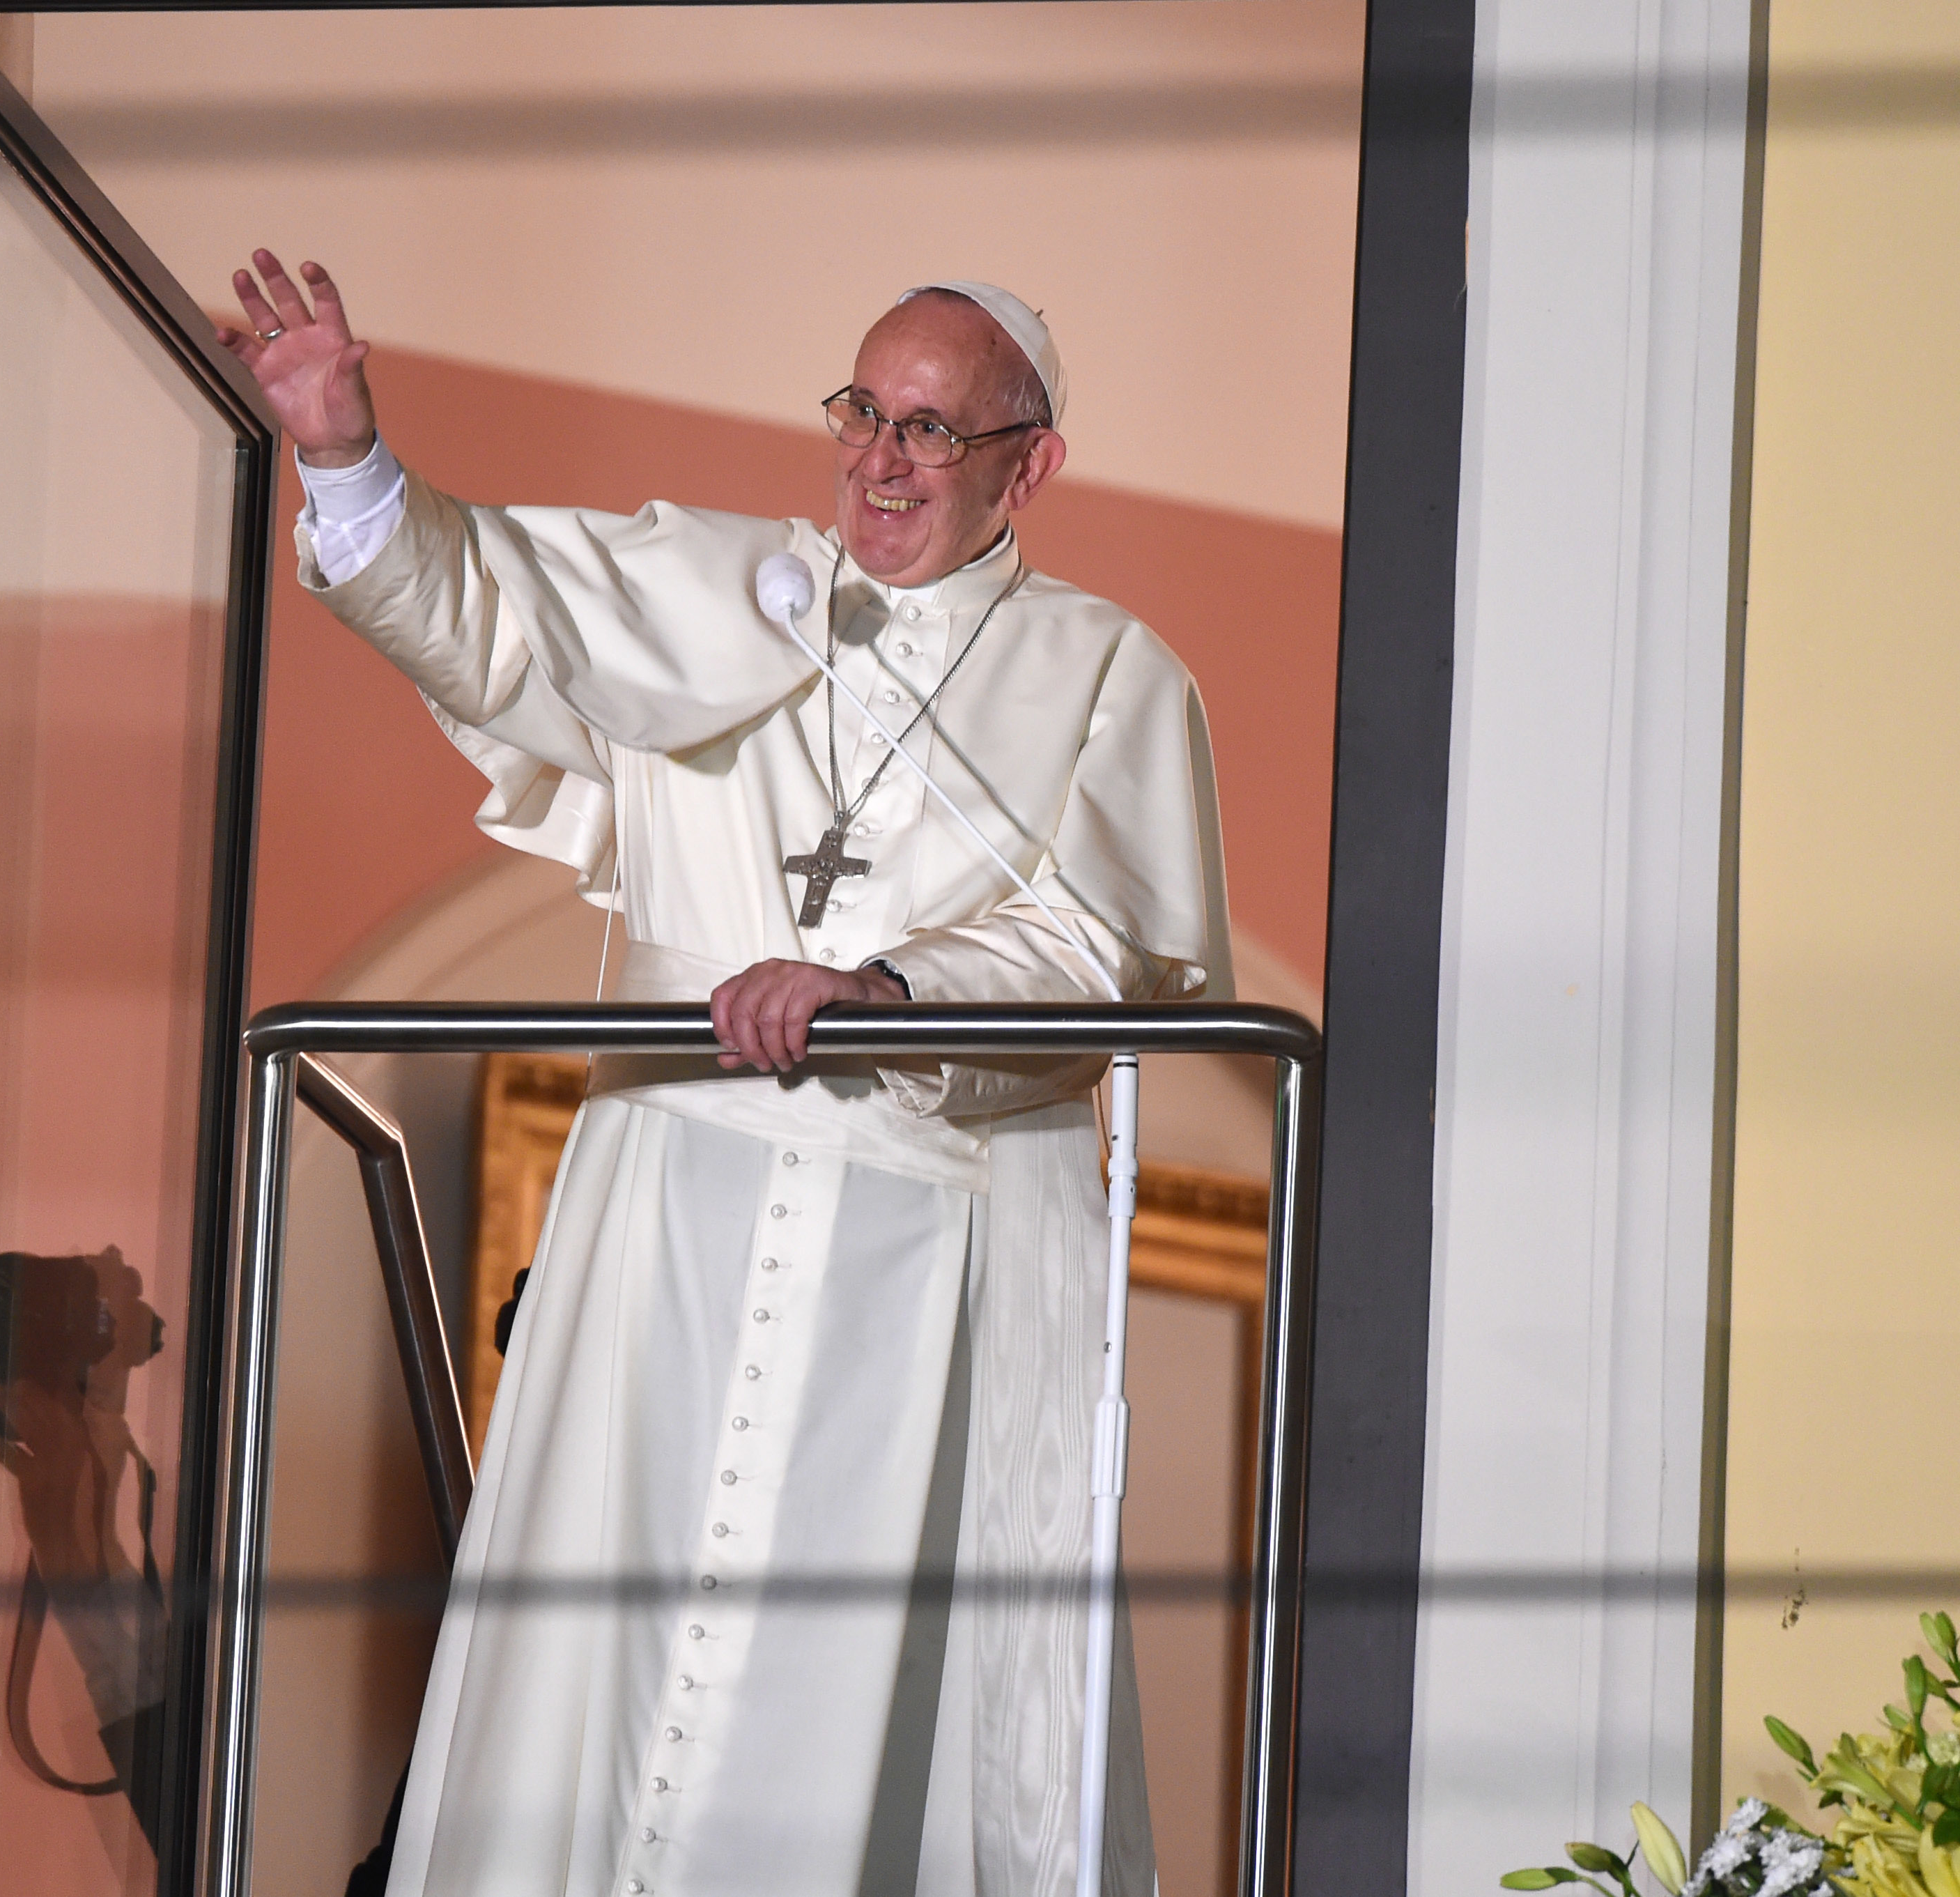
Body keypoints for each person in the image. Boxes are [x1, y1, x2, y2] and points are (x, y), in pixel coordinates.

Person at [220, 252, 1228, 1897]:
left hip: (928, 1246)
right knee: (604, 1660)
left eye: (929, 429)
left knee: (846, 1699)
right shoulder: (723, 587)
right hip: (667, 1206)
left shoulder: (1111, 672)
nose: (880, 462)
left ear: (1025, 464)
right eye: (860, 415)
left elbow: (1118, 944)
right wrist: (340, 447)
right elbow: (483, 610)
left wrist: (890, 989)